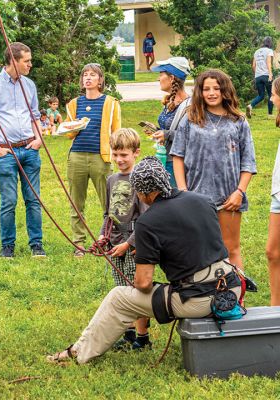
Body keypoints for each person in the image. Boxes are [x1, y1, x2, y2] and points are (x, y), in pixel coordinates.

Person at [47, 157, 242, 364]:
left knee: (118, 297)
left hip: (199, 300)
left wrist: (146, 253)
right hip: (231, 287)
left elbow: (143, 283)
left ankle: (78, 354)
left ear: (145, 193)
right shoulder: (202, 200)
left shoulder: (148, 222)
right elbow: (191, 240)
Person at [171, 69, 257, 269]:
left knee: (231, 248)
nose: (211, 93)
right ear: (199, 92)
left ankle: (237, 297)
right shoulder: (190, 118)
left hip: (229, 199)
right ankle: (203, 297)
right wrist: (183, 192)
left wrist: (239, 192)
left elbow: (248, 162)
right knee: (198, 248)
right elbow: (178, 156)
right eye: (206, 89)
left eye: (216, 88)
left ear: (225, 90)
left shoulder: (238, 121)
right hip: (195, 197)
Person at [0, 42, 46, 258]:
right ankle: (8, 246)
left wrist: (39, 139)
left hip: (29, 149)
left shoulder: (29, 85)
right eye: (27, 61)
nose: (30, 65)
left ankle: (36, 245)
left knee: (33, 200)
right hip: (6, 153)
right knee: (9, 201)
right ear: (14, 61)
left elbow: (35, 115)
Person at [98, 128, 150, 350]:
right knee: (120, 289)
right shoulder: (110, 180)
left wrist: (130, 244)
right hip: (114, 243)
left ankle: (142, 337)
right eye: (115, 154)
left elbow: (149, 218)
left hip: (133, 243)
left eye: (124, 155)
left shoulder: (141, 180)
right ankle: (127, 333)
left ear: (136, 152)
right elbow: (108, 213)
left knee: (134, 289)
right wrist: (103, 234)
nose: (119, 160)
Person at [65, 63, 121, 257]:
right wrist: (75, 126)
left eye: (92, 75)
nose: (88, 78)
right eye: (85, 75)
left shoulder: (111, 103)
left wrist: (116, 155)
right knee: (76, 202)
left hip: (101, 157)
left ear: (100, 80)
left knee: (108, 202)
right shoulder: (74, 104)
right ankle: (78, 244)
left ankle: (110, 240)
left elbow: (116, 132)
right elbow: (69, 134)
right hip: (77, 156)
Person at [145, 57, 191, 185]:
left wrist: (166, 134)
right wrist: (157, 130)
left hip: (180, 164)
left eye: (161, 74)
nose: (158, 78)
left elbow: (192, 135)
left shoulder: (190, 106)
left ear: (171, 78)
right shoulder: (169, 102)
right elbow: (169, 129)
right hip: (165, 159)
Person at [266, 76, 280, 305]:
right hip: (278, 195)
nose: (271, 98)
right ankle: (276, 310)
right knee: (272, 252)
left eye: (274, 94)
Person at [246, 36, 274, 119]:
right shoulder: (269, 51)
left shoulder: (256, 52)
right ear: (269, 43)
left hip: (258, 76)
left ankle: (250, 106)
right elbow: (269, 63)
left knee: (261, 95)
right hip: (266, 75)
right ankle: (270, 114)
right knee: (271, 95)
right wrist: (270, 74)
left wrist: (257, 74)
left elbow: (253, 66)